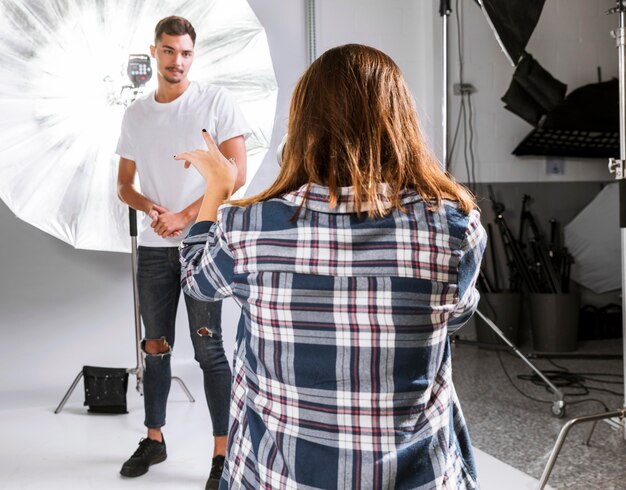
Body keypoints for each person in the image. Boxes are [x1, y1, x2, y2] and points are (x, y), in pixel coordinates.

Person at [178, 44, 486, 489]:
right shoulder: (455, 226)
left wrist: (219, 188)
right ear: (399, 123)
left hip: (279, 478)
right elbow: (457, 314)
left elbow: (196, 280)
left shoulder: (247, 227)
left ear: (302, 128)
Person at [115, 15, 248, 489]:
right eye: (169, 51)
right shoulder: (136, 114)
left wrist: (185, 216)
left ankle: (222, 453)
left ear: (194, 54)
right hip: (153, 248)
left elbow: (236, 175)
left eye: (186, 52)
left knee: (210, 348)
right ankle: (154, 438)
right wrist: (152, 207)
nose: (177, 61)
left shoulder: (215, 101)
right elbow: (124, 185)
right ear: (154, 52)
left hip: (203, 244)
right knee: (155, 347)